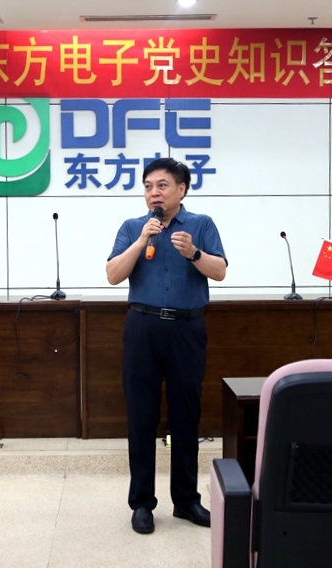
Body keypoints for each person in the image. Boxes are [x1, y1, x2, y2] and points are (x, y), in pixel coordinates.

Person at [105, 157, 227, 534]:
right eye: (147, 186)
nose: (153, 193)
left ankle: (186, 501)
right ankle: (142, 503)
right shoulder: (133, 227)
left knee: (186, 416)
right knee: (141, 416)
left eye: (161, 185)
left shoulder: (201, 225)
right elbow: (112, 275)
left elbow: (220, 271)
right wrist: (142, 240)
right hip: (142, 327)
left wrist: (194, 253)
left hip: (187, 330)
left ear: (182, 189)